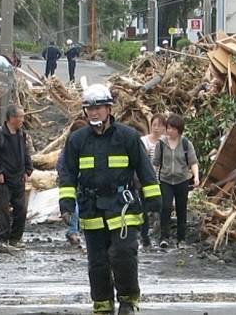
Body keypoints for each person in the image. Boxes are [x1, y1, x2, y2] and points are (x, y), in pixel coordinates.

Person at [58, 84, 162, 315]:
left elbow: (145, 171)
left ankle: (128, 300)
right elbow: (67, 175)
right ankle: (102, 302)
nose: (94, 113)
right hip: (91, 209)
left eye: (98, 108)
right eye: (89, 109)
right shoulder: (77, 140)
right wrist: (66, 204)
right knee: (97, 261)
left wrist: (154, 203)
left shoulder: (127, 137)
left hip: (122, 207)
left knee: (124, 254)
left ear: (108, 109)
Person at [0, 104, 33, 248]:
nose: (22, 120)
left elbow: (25, 154)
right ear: (12, 118)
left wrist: (27, 170)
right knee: (3, 210)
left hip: (18, 178)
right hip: (3, 179)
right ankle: (1, 239)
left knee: (21, 209)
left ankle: (15, 239)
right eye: (20, 117)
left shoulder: (21, 134)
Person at [152, 113, 200, 249]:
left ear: (179, 129)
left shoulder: (186, 144)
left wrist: (196, 176)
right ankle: (164, 237)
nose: (170, 131)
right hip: (165, 180)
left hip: (182, 180)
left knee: (181, 209)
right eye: (168, 128)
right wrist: (151, 178)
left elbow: (193, 162)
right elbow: (155, 163)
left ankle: (181, 239)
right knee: (166, 207)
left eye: (173, 128)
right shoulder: (161, 144)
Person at [55, 118, 88, 246]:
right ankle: (72, 231)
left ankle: (76, 230)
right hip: (70, 184)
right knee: (73, 207)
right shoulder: (69, 149)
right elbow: (61, 165)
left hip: (83, 183)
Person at [138, 114, 166, 248]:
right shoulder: (143, 141)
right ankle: (144, 237)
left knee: (162, 208)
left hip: (163, 180)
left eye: (159, 125)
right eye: (154, 125)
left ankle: (162, 236)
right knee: (144, 208)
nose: (156, 128)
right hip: (146, 181)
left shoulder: (167, 142)